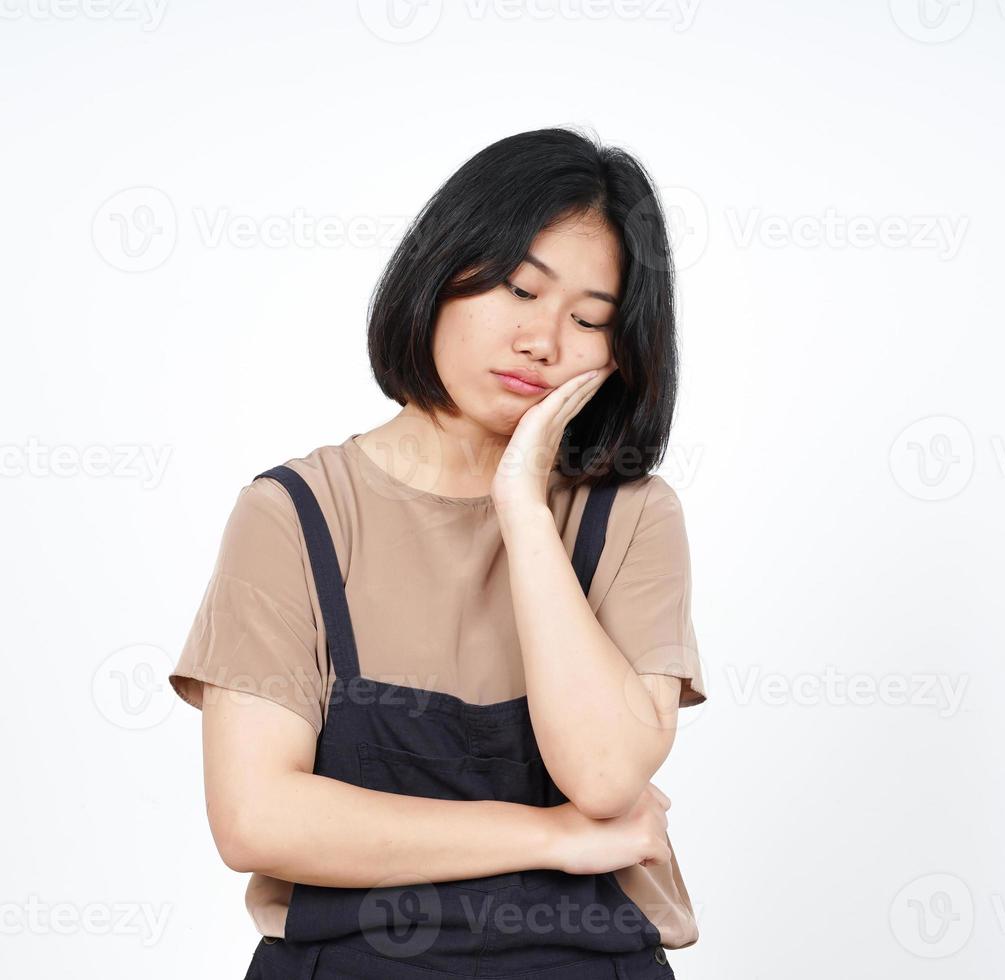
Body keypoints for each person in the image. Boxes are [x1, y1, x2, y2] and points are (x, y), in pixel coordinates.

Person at [168, 126, 707, 979]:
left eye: (588, 319)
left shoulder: (632, 517)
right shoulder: (295, 514)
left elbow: (604, 776)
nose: (544, 340)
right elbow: (256, 818)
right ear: (439, 275)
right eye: (519, 290)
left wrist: (523, 510)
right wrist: (552, 836)